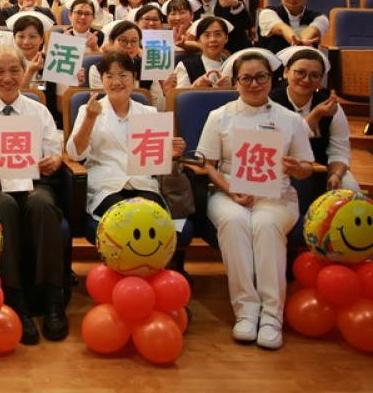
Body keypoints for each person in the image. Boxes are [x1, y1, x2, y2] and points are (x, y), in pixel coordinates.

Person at [200, 49, 314, 350]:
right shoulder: (219, 116)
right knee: (235, 221)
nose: (254, 84)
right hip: (227, 190)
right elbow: (207, 163)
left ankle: (272, 315)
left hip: (276, 193)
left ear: (271, 78)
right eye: (246, 78)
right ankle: (246, 310)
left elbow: (305, 168)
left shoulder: (290, 119)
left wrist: (296, 168)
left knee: (264, 224)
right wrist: (229, 189)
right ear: (235, 82)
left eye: (260, 77)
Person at [0, 46, 68, 344]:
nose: (7, 78)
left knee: (43, 204)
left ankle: (51, 295)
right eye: (0, 72)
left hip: (32, 181)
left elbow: (55, 151)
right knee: (3, 207)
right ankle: (14, 297)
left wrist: (54, 161)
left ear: (24, 73)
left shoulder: (38, 109)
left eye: (14, 71)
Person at [66, 51, 185, 220]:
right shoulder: (87, 110)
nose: (116, 82)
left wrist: (171, 155)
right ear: (101, 80)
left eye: (123, 75)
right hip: (105, 185)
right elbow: (75, 153)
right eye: (109, 76)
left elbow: (154, 162)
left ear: (134, 77)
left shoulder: (149, 112)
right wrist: (90, 119)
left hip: (143, 184)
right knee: (125, 218)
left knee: (154, 217)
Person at [272, 47, 359, 192]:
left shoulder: (331, 107)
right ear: (286, 72)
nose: (306, 79)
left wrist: (335, 174)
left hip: (322, 167)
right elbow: (284, 144)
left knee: (350, 187)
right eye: (300, 72)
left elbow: (339, 151)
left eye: (314, 75)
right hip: (280, 167)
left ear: (320, 80)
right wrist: (315, 115)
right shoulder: (271, 102)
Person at [258, 0, 328, 54]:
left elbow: (311, 30)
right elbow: (282, 28)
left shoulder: (320, 18)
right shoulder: (267, 13)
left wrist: (303, 40)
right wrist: (297, 40)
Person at [175, 16, 233, 88]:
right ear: (198, 40)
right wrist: (194, 87)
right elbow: (178, 96)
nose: (212, 39)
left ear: (226, 38)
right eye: (206, 35)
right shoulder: (186, 66)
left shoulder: (233, 65)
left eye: (218, 34)